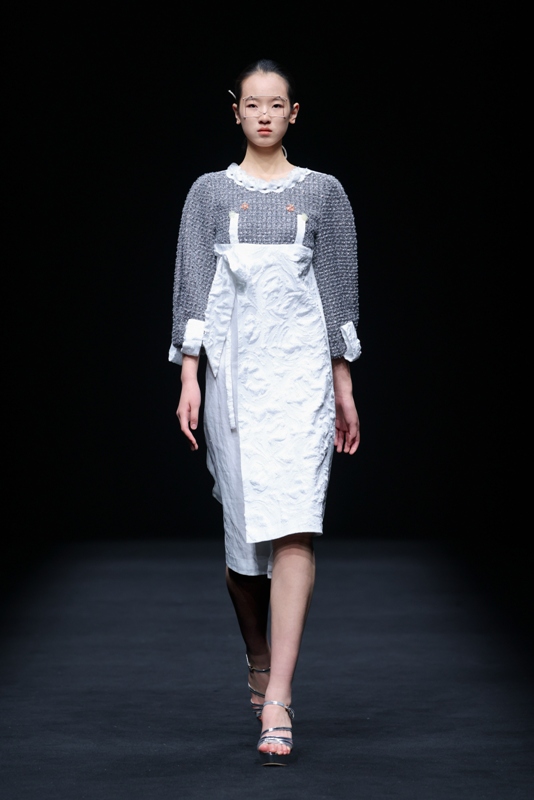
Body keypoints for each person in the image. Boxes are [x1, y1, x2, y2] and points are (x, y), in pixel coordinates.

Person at [169, 59, 361, 765]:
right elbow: (194, 281)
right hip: (233, 375)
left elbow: (337, 290)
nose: (264, 116)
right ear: (237, 111)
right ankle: (257, 651)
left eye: (276, 104)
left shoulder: (325, 193)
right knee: (245, 548)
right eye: (253, 104)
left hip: (301, 373)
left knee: (296, 521)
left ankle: (278, 695)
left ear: (293, 112)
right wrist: (189, 375)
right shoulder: (209, 193)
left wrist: (343, 384)